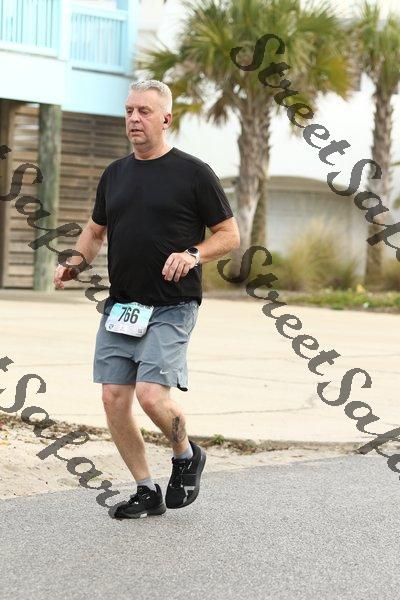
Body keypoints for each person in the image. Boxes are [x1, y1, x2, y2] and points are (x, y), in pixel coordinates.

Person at [53, 79, 240, 519]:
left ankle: (186, 454)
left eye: (144, 111)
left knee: (151, 395)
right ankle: (145, 489)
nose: (134, 119)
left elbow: (229, 235)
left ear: (166, 118)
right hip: (123, 306)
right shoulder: (115, 174)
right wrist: (75, 261)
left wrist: (193, 254)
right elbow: (95, 230)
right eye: (129, 111)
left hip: (173, 305)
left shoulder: (193, 173)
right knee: (113, 398)